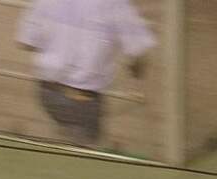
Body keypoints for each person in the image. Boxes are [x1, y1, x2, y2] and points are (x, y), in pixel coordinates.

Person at [17, 0, 155, 147]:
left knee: (59, 140)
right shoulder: (116, 4)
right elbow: (138, 52)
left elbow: (27, 42)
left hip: (47, 91)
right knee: (86, 148)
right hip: (83, 99)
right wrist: (135, 72)